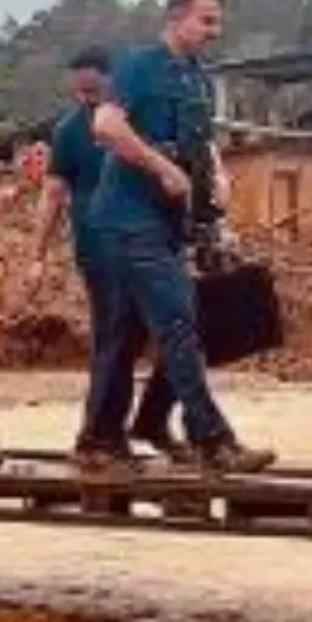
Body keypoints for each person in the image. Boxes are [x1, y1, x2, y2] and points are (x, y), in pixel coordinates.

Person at [84, 0, 277, 475]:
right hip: (127, 220)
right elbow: (105, 126)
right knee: (179, 321)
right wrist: (159, 167)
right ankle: (211, 436)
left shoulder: (195, 77)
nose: (215, 31)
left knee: (124, 335)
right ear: (176, 17)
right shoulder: (139, 66)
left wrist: (215, 178)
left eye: (218, 21)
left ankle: (101, 438)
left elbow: (199, 144)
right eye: (206, 20)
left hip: (169, 224)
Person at [27, 48, 186, 465]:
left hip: (153, 243)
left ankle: (149, 420)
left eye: (94, 89)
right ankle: (99, 437)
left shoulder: (141, 123)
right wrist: (37, 254)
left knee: (180, 329)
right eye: (80, 91)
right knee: (117, 340)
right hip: (102, 250)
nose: (86, 98)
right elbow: (53, 194)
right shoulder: (70, 132)